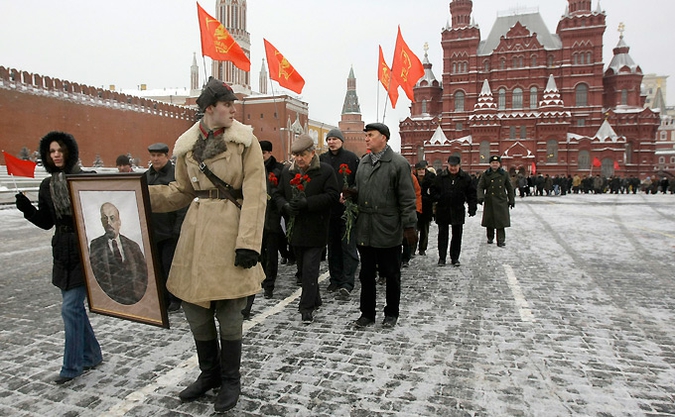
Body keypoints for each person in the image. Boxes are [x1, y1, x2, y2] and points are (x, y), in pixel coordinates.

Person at [147, 77, 267, 413]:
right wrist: (141, 194)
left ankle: (231, 380)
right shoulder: (186, 146)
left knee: (230, 313)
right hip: (196, 235)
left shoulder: (245, 142)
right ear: (210, 108)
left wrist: (249, 243)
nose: (233, 109)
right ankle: (209, 374)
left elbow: (256, 195)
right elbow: (180, 191)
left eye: (234, 104)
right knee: (196, 311)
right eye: (228, 104)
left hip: (231, 233)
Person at [14, 131, 103, 384]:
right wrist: (27, 209)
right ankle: (92, 354)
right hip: (61, 250)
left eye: (60, 150)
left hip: (84, 247)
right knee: (73, 309)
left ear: (69, 152)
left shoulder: (84, 179)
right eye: (52, 151)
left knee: (70, 307)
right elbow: (46, 222)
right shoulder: (47, 185)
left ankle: (72, 366)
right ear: (47, 156)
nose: (56, 155)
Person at [350, 123, 417, 329]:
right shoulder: (363, 163)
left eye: (371, 135)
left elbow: (407, 198)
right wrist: (350, 194)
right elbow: (360, 189)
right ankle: (367, 314)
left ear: (384, 138)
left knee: (391, 273)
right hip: (365, 227)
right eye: (366, 135)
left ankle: (391, 313)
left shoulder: (398, 163)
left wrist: (409, 226)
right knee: (366, 274)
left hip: (388, 227)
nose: (367, 139)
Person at [274, 134, 339, 323]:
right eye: (296, 155)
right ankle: (315, 298)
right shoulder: (288, 172)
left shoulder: (325, 171)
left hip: (316, 228)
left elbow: (332, 196)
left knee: (310, 268)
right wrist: (285, 206)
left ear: (312, 153)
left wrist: (308, 203)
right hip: (295, 230)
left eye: (302, 155)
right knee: (303, 269)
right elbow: (277, 195)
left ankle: (306, 307)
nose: (299, 159)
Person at [243, 140, 283, 319]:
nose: (262, 155)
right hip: (257, 216)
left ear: (269, 153)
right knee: (260, 252)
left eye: (264, 153)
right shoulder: (253, 167)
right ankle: (260, 279)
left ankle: (269, 285)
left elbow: (281, 191)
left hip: (272, 215)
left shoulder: (278, 169)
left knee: (272, 251)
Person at [145, 142, 185, 312]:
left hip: (170, 232)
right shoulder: (147, 176)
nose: (155, 159)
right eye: (152, 155)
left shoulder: (175, 174)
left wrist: (177, 229)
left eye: (159, 155)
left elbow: (183, 202)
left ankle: (175, 298)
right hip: (153, 230)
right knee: (156, 268)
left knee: (171, 266)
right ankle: (161, 298)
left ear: (166, 156)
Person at [319, 128, 360, 297]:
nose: (331, 142)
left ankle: (347, 282)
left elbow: (358, 182)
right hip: (329, 210)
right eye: (329, 139)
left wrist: (349, 193)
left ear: (342, 141)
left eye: (335, 139)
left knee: (348, 246)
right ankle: (335, 279)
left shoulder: (351, 158)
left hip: (346, 210)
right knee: (333, 247)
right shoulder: (322, 159)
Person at [89, 202, 148, 305]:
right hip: (110, 301)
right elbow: (94, 274)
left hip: (135, 299)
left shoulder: (133, 246)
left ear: (119, 222)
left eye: (112, 218)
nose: (108, 223)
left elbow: (144, 274)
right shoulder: (95, 246)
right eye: (105, 219)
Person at [431, 155, 477, 266]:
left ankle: (455, 258)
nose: (453, 168)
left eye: (455, 166)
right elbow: (432, 190)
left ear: (459, 166)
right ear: (447, 165)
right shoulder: (440, 177)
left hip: (458, 209)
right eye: (451, 166)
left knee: (457, 235)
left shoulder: (465, 178)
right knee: (443, 235)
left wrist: (472, 207)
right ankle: (442, 258)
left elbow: (471, 193)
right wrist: (438, 198)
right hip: (443, 209)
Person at [477, 155, 515, 247]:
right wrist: (480, 197)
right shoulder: (486, 174)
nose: (495, 164)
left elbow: (509, 188)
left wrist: (511, 200)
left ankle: (501, 240)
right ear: (490, 164)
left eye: (496, 163)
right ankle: (490, 237)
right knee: (489, 221)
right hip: (489, 199)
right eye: (493, 163)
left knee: (501, 222)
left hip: (501, 200)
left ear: (499, 164)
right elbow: (480, 186)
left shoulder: (504, 174)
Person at [413, 161, 436, 256]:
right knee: (414, 230)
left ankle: (422, 248)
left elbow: (435, 192)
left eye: (423, 169)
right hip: (414, 207)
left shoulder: (431, 178)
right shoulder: (412, 178)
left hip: (426, 207)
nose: (421, 171)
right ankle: (412, 249)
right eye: (419, 169)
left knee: (425, 229)